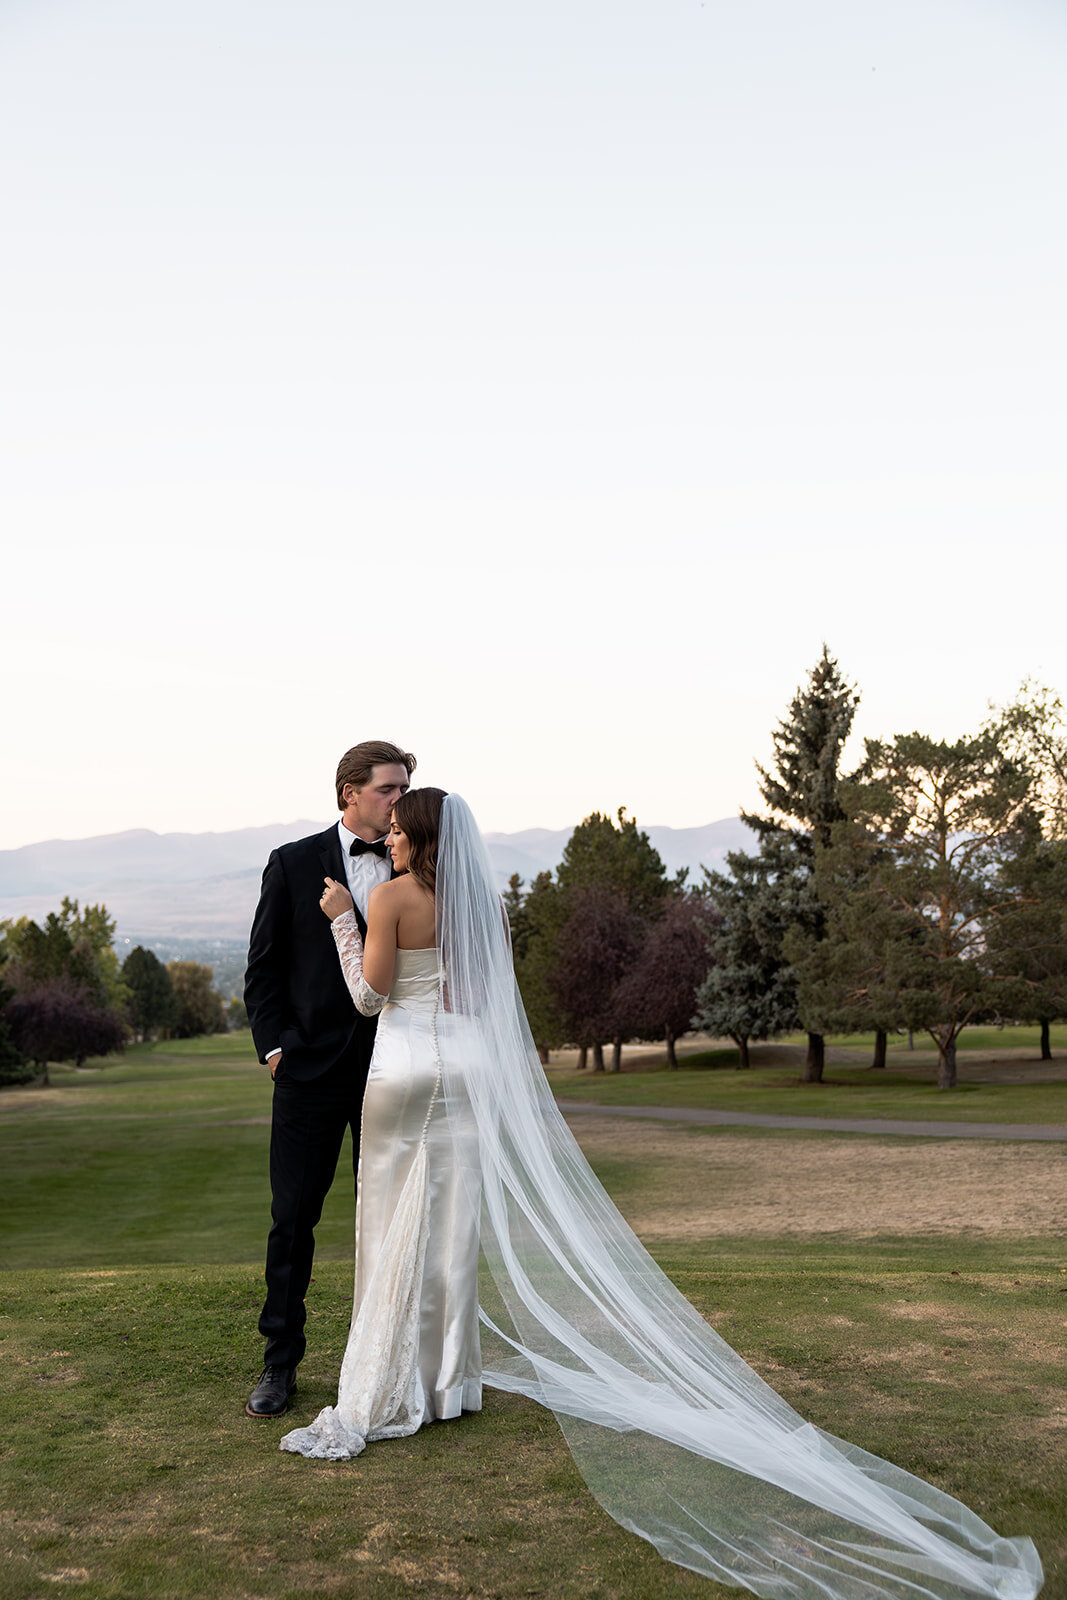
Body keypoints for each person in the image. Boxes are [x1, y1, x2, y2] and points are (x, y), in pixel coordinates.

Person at [280, 790, 1043, 1600]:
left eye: (398, 829)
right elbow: (476, 997)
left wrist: (341, 917)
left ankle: (384, 1391)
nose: (388, 837)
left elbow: (370, 998)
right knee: (449, 1230)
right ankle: (444, 1388)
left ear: (420, 836)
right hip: (466, 1070)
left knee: (392, 1221)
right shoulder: (477, 905)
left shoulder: (390, 897)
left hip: (405, 1069)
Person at [242, 739, 415, 1419]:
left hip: (392, 1072)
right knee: (293, 1219)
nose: (398, 800)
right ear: (350, 791)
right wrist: (276, 1050)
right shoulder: (290, 864)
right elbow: (262, 970)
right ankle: (278, 1362)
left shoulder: (422, 870)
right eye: (388, 789)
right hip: (308, 1071)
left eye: (404, 788)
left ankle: (383, 1361)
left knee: (389, 1221)